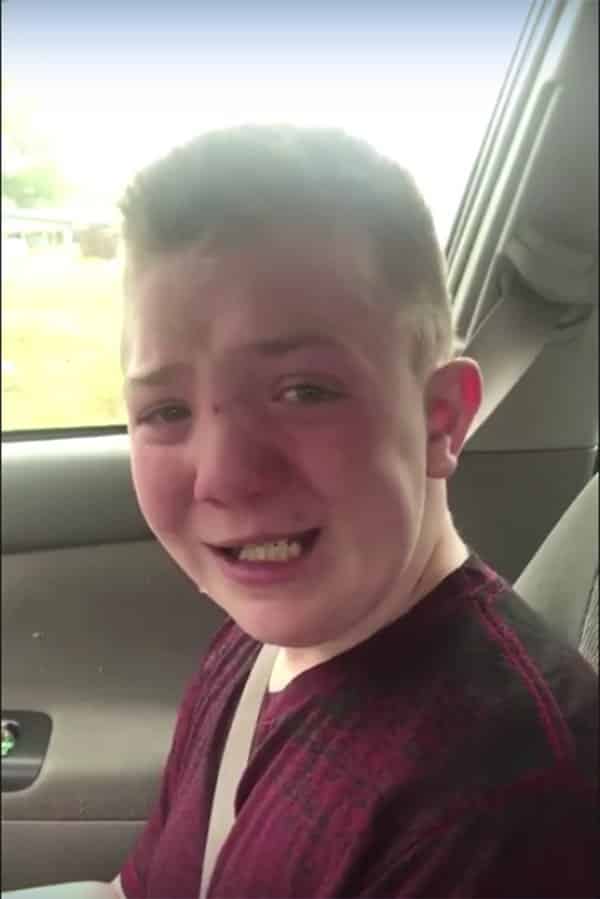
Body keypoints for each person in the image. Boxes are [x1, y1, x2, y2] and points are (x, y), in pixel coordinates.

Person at [5, 126, 598, 898]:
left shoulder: (507, 806)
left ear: (441, 420)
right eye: (166, 410)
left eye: (304, 391)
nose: (224, 477)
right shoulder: (257, 646)